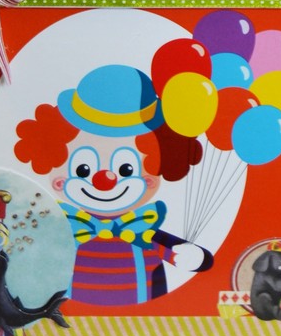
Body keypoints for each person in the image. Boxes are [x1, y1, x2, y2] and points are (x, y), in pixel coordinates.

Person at [14, 64, 213, 306]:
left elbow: (192, 259)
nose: (104, 181)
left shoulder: (142, 228)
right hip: (64, 313)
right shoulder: (63, 228)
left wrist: (190, 256)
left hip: (146, 313)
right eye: (83, 170)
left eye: (126, 170)